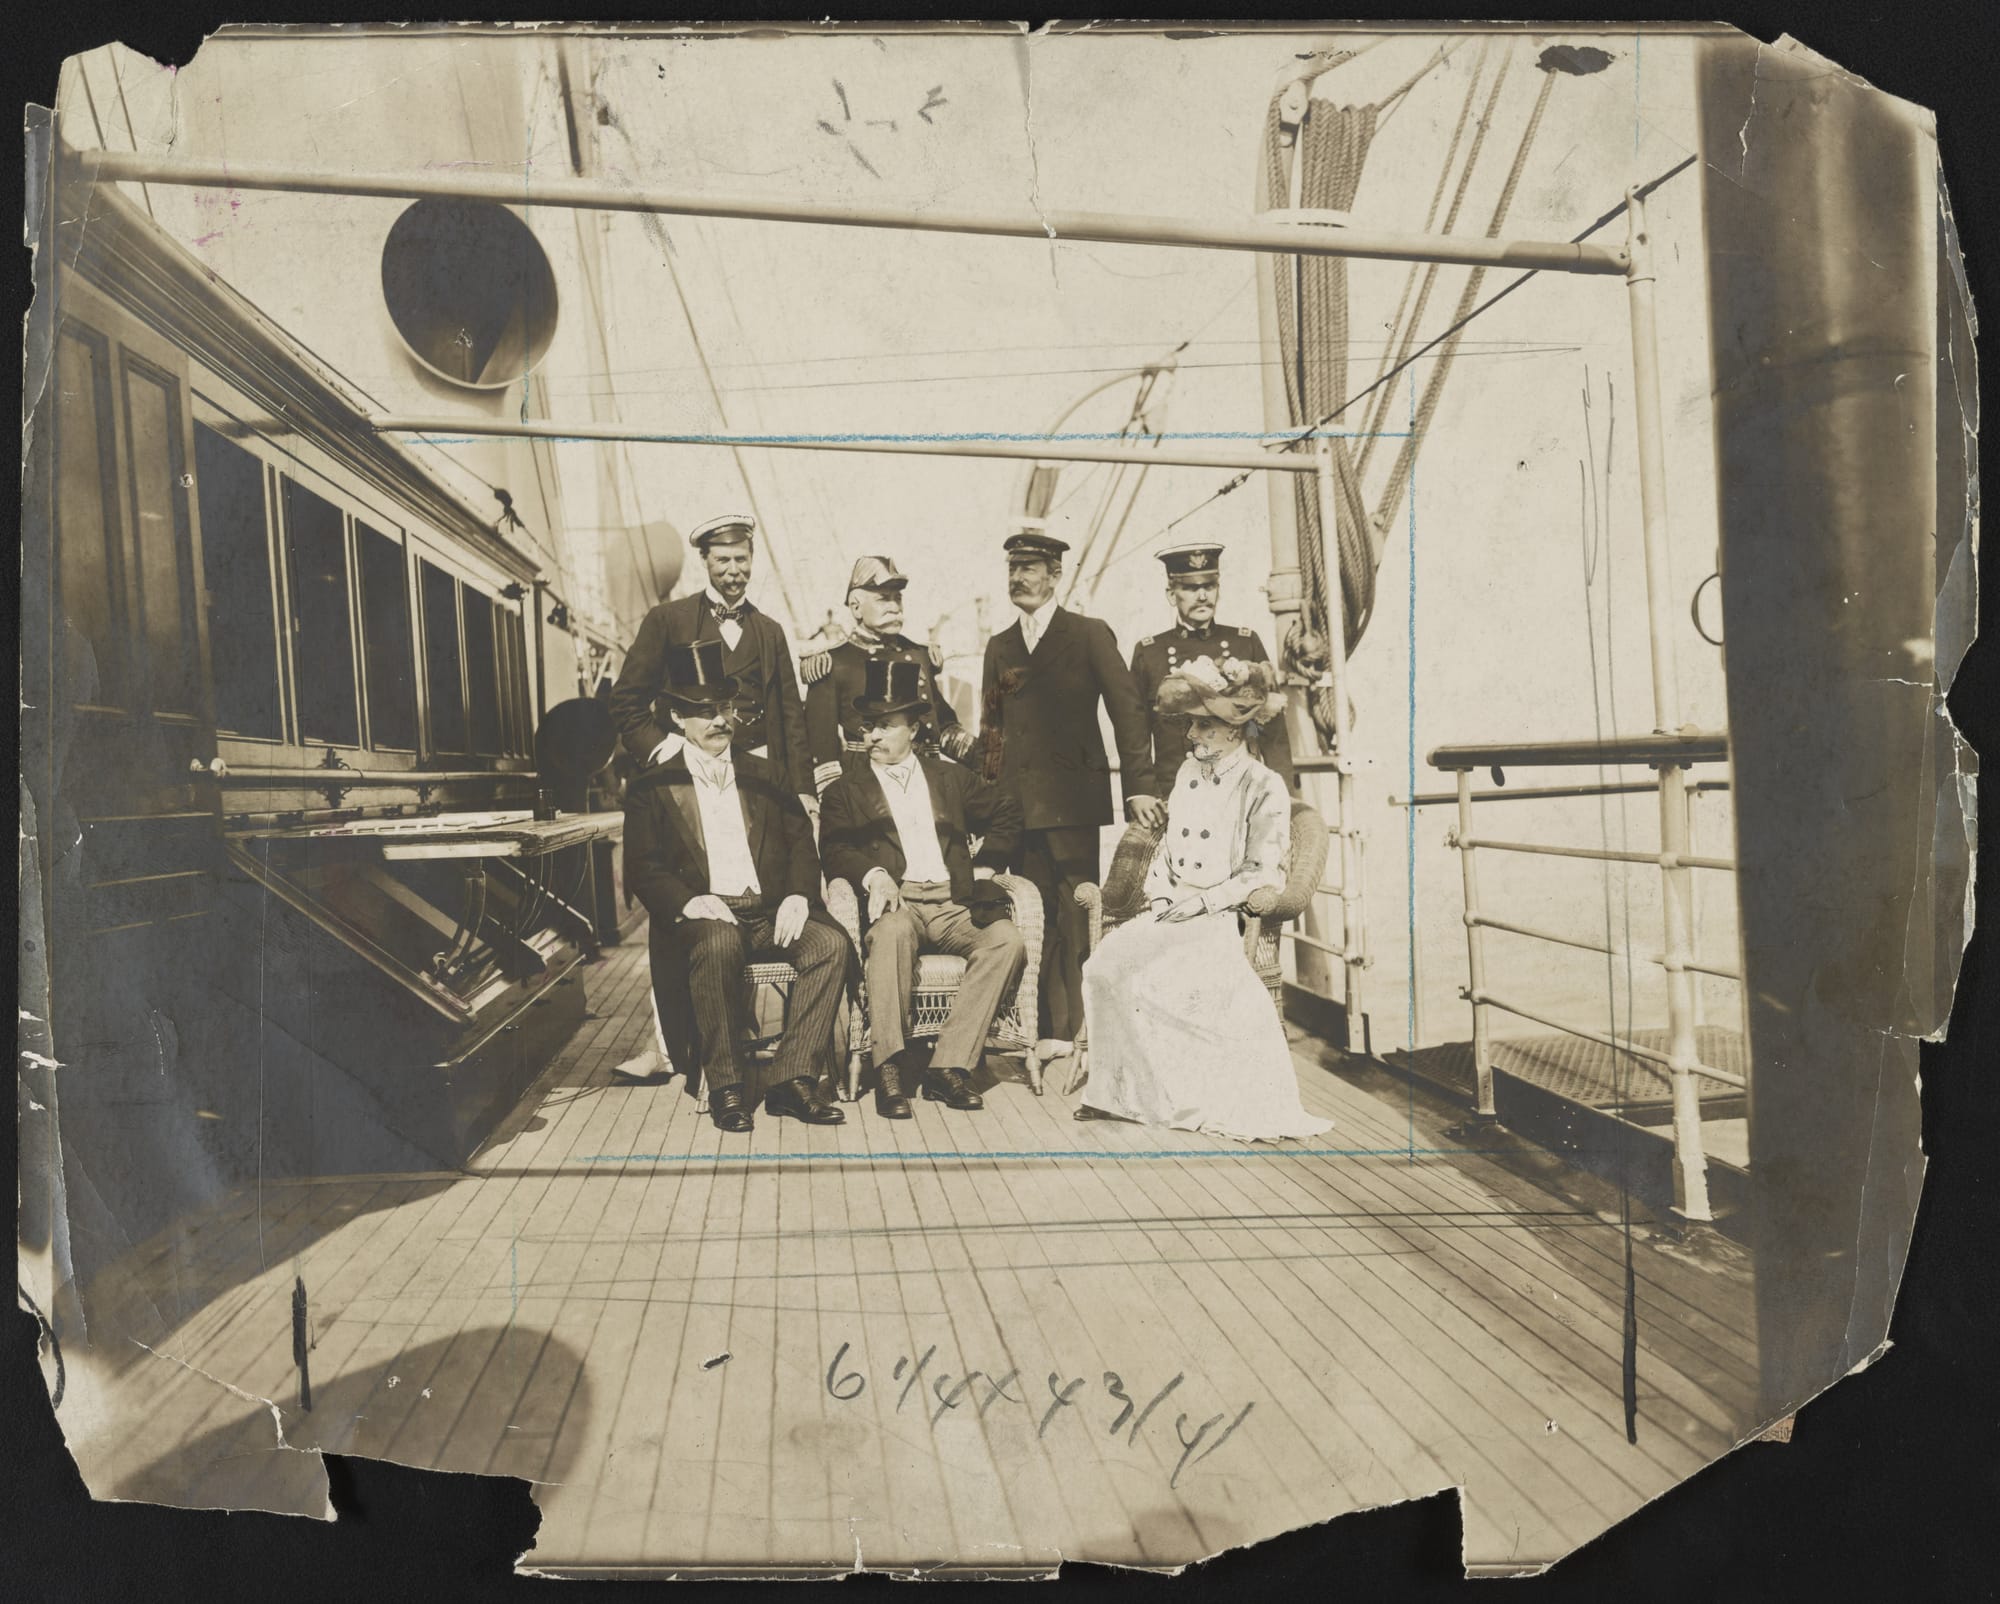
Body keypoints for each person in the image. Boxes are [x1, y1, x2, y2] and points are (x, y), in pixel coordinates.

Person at [1078, 656, 1332, 1144]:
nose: (1191, 737)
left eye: (1203, 727)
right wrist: (1158, 898)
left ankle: (1186, 1097)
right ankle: (1120, 1094)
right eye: (1191, 726)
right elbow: (1166, 853)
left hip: (1220, 914)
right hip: (1170, 906)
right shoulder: (1189, 774)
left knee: (1181, 978)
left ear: (1235, 731)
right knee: (1106, 965)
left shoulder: (1264, 786)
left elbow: (1263, 870)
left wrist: (1201, 904)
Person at [621, 638, 852, 1134]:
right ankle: (726, 1085)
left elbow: (799, 844)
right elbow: (643, 867)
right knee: (719, 942)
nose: (719, 720)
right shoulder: (651, 786)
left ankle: (793, 1078)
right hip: (704, 919)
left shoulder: (767, 773)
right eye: (704, 711)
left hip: (768, 911)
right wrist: (690, 901)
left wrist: (797, 893)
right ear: (678, 719)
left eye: (724, 707)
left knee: (830, 945)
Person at [978, 522, 1159, 1063]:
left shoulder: (1088, 633)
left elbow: (1128, 712)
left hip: (1073, 805)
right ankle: (1039, 1029)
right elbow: (992, 732)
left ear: (1055, 575)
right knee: (1032, 918)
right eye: (1013, 569)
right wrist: (987, 804)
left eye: (1029, 569)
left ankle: (1081, 1029)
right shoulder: (1000, 645)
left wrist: (1139, 788)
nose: (1019, 578)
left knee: (1079, 911)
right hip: (1017, 809)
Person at [819, 658, 1026, 1119]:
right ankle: (889, 1067)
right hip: (899, 902)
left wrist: (988, 864)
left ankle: (947, 1066)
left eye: (885, 725)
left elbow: (1007, 810)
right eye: (867, 725)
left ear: (913, 727)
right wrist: (873, 875)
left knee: (1006, 941)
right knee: (891, 935)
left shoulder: (949, 777)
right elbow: (834, 848)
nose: (872, 735)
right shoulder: (845, 790)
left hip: (954, 903)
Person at [609, 513, 815, 810]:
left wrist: (804, 791)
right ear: (704, 560)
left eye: (741, 560)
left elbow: (792, 718)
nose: (734, 570)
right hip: (688, 780)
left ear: (752, 559)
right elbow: (626, 701)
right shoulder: (667, 620)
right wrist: (663, 749)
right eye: (723, 560)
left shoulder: (771, 632)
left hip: (761, 782)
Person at [802, 555, 977, 795]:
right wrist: (834, 805)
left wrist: (990, 759)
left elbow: (943, 727)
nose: (894, 607)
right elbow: (822, 749)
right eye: (883, 599)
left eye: (898, 599)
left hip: (928, 783)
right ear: (856, 606)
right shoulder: (834, 662)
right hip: (866, 790)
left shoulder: (918, 655)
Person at [1129, 541, 1295, 793]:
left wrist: (1284, 795)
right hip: (1176, 792)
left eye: (1209, 586)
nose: (1203, 596)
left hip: (1239, 790)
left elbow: (1273, 731)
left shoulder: (1245, 643)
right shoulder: (1150, 652)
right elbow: (1136, 734)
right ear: (1172, 595)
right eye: (1190, 588)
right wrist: (1142, 793)